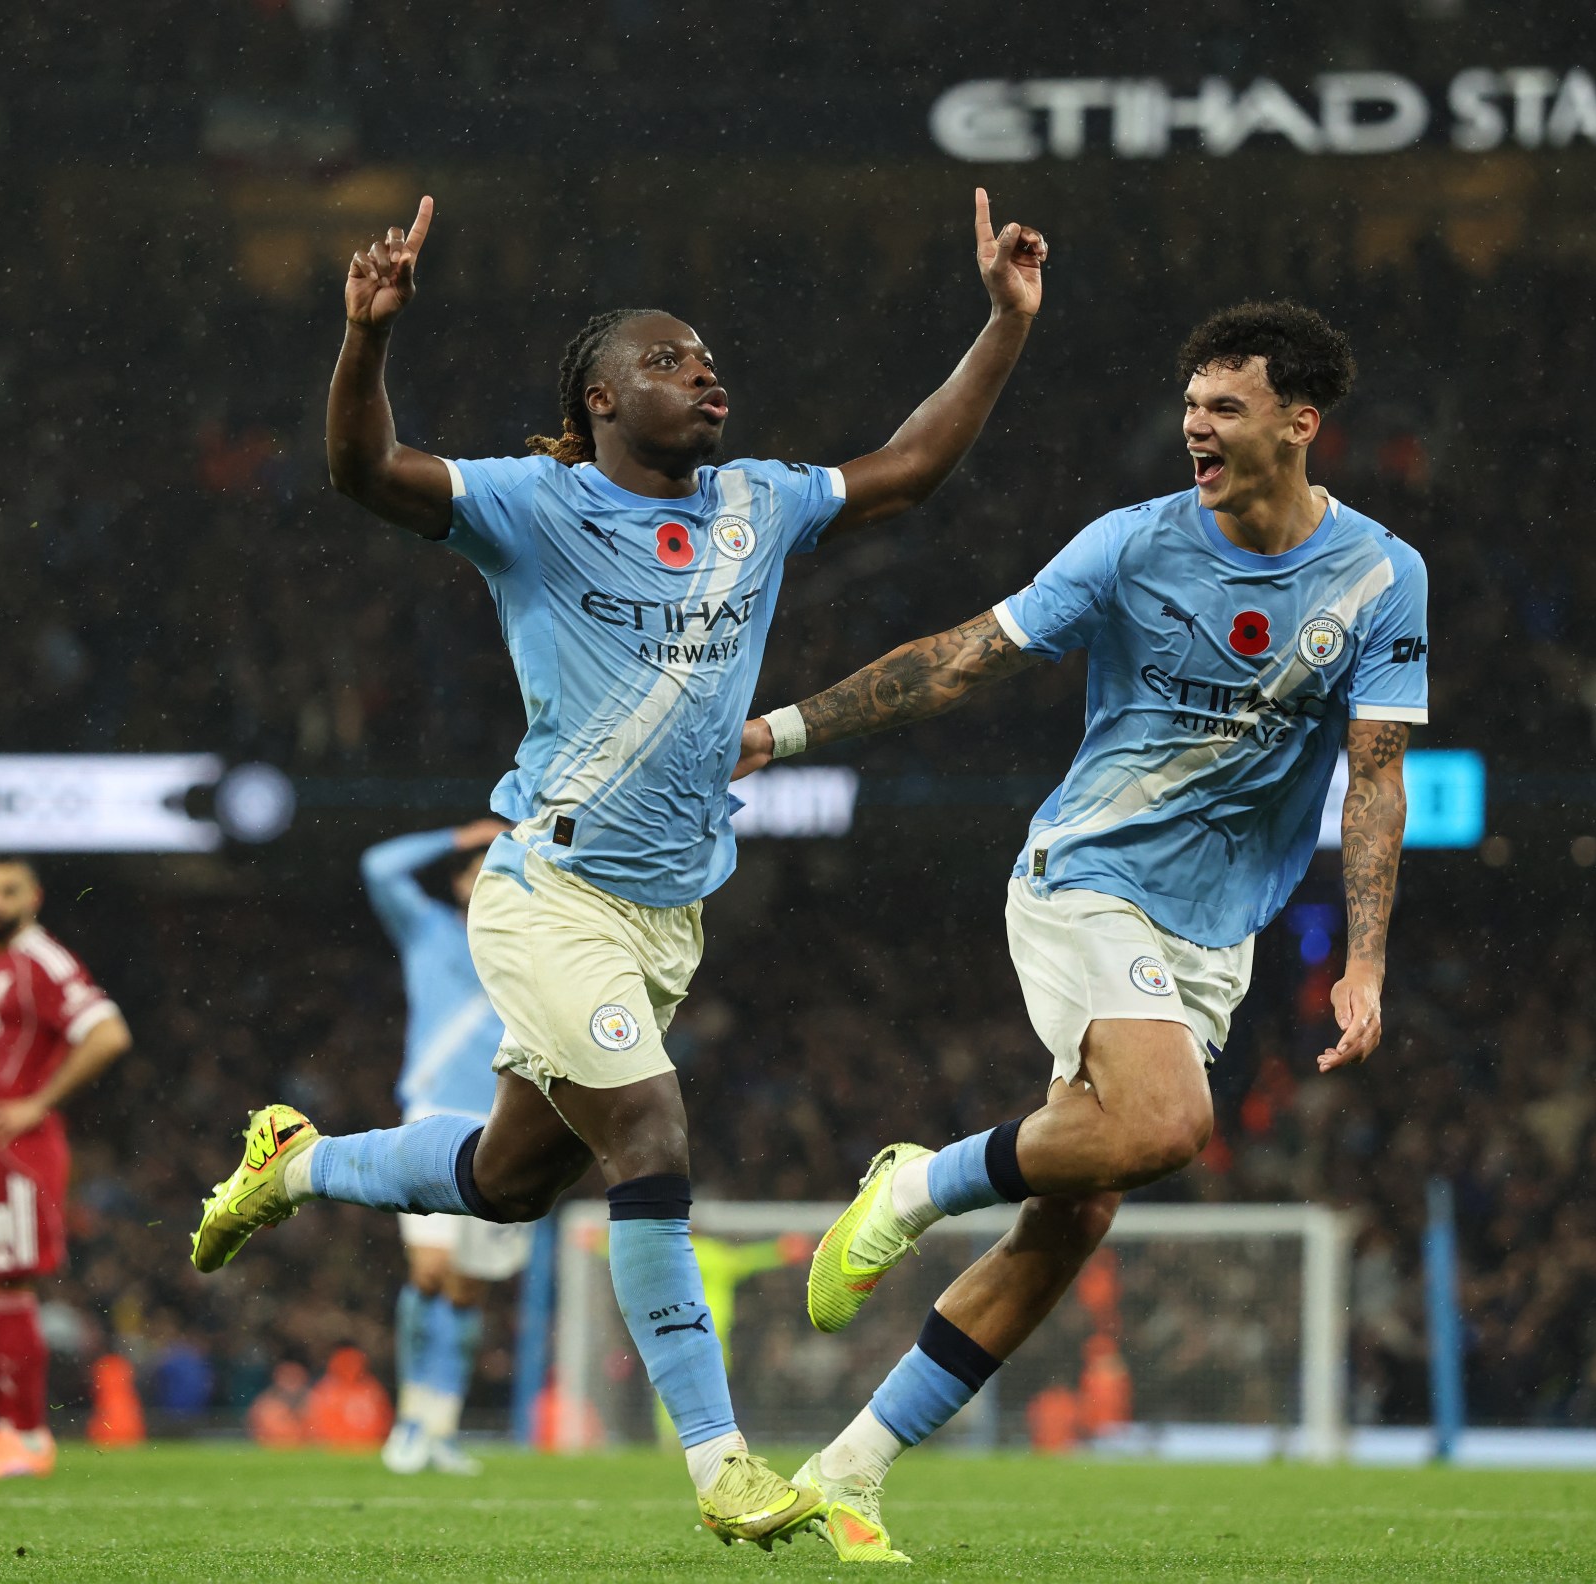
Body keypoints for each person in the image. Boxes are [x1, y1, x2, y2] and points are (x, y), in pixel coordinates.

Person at [191, 187, 1046, 1548]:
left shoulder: (760, 504)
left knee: (506, 1183)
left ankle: (293, 1167)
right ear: (598, 399)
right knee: (649, 1132)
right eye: (666, 357)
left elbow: (911, 469)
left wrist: (1002, 324)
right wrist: (366, 339)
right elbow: (367, 472)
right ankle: (725, 1470)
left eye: (706, 354)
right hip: (550, 890)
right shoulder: (531, 506)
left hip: (665, 917)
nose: (702, 370)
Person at [740, 301, 1428, 1559]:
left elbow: (1374, 776)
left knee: (1080, 1213)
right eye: (1190, 406)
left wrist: (1366, 958)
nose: (1196, 428)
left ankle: (852, 1466)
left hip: (1217, 930)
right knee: (1168, 1125)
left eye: (1225, 408)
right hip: (1088, 874)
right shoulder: (1128, 546)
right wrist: (779, 735)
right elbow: (962, 661)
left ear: (1300, 423)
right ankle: (916, 1184)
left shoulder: (1383, 575)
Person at [0, 855, 132, 1480]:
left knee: (7, 1287)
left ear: (33, 896)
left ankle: (27, 1436)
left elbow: (108, 1033)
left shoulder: (42, 960)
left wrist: (36, 1105)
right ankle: (7, 1422)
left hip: (13, 1156)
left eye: (7, 891)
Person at [360, 817, 522, 1477]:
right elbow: (378, 864)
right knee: (427, 1273)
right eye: (476, 872)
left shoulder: (533, 955)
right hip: (432, 1118)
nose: (486, 883)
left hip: (506, 1128)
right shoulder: (428, 931)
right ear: (459, 885)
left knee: (466, 1291)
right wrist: (464, 835)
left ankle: (442, 1429)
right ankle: (409, 1421)